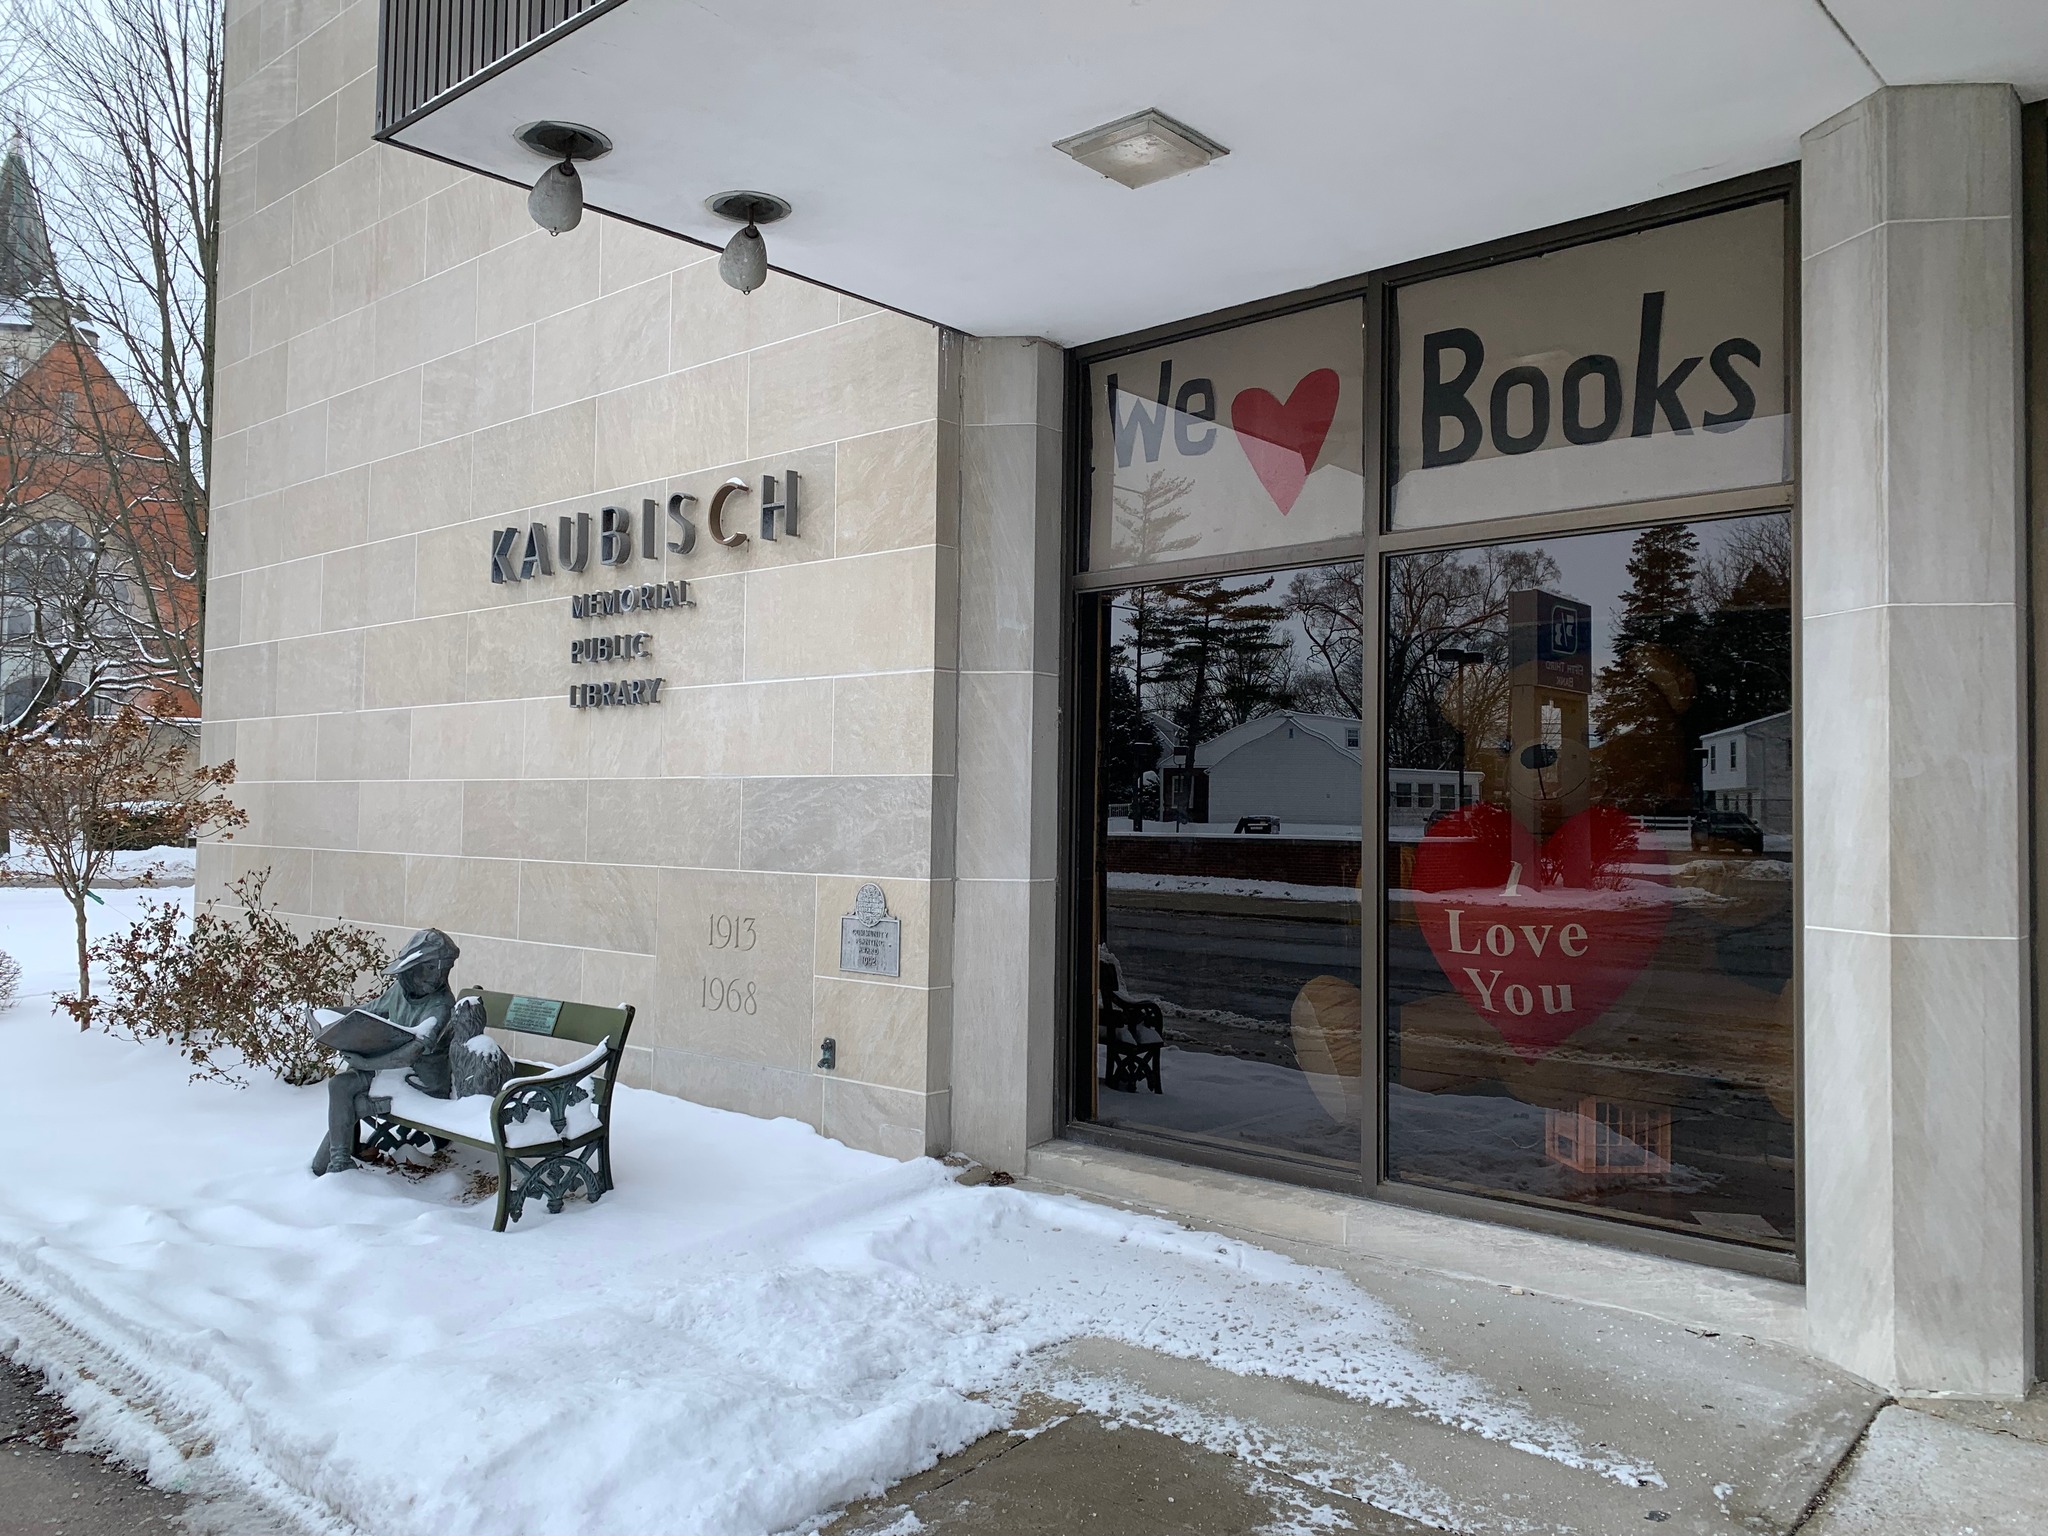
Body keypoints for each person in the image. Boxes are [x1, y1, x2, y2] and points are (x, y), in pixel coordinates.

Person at [309, 928, 460, 1176]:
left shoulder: (441, 1006)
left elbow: (409, 1054)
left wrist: (362, 1061)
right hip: (395, 1074)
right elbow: (366, 1013)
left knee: (347, 1096)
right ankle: (339, 1163)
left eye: (444, 969)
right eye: (431, 967)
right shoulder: (400, 990)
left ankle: (337, 1163)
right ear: (413, 967)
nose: (438, 976)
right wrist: (331, 1017)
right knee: (340, 1086)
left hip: (422, 1084)